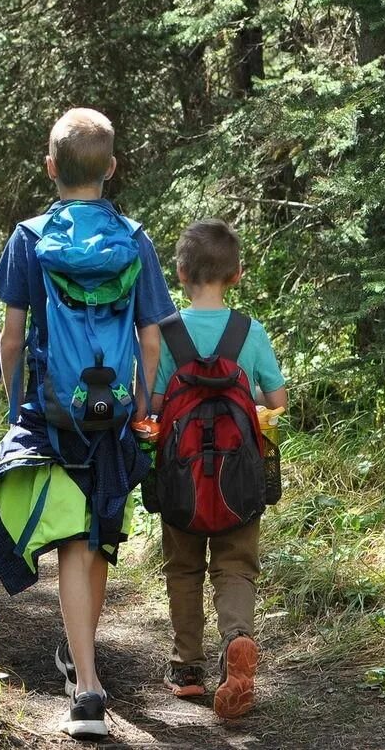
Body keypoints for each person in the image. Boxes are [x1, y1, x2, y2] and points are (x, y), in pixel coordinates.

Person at [0, 108, 176, 740]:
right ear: (112, 168)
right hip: (113, 412)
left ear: (51, 166)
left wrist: (13, 407)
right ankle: (82, 659)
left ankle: (85, 685)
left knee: (70, 538)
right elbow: (151, 339)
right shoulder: (135, 238)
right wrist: (142, 406)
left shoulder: (29, 238)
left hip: (54, 410)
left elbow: (11, 335)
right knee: (98, 532)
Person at [151, 218, 287, 720]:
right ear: (238, 275)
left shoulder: (166, 333)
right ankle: (238, 638)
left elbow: (154, 404)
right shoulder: (250, 332)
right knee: (236, 566)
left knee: (182, 568)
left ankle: (187, 669)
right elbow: (278, 399)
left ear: (181, 272)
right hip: (239, 478)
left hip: (180, 478)